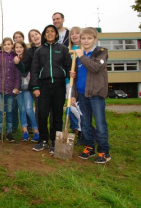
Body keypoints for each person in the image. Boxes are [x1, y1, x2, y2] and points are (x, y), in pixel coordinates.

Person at [71, 27, 111, 164]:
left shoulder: (101, 52)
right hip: (82, 95)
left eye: (89, 38)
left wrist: (81, 56)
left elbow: (95, 67)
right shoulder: (78, 58)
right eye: (83, 38)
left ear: (95, 39)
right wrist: (73, 95)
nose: (86, 41)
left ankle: (104, 151)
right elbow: (76, 78)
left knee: (100, 123)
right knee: (85, 123)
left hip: (96, 94)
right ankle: (89, 146)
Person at [30, 25, 71, 153]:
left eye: (52, 31)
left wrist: (70, 73)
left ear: (56, 34)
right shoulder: (39, 51)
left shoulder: (63, 49)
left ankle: (55, 141)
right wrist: (35, 87)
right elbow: (34, 70)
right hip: (43, 87)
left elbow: (69, 66)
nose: (50, 33)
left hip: (59, 86)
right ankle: (43, 140)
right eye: (47, 32)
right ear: (44, 35)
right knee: (42, 114)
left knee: (57, 115)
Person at [0, 37, 21, 142]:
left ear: (12, 45)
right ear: (2, 46)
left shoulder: (15, 57)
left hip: (11, 90)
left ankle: (9, 133)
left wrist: (17, 87)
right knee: (1, 111)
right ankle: (0, 132)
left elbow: (17, 75)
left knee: (9, 111)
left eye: (9, 44)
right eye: (5, 44)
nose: (7, 46)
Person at [15, 29, 43, 143]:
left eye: (20, 47)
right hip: (18, 88)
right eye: (16, 48)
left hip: (27, 87)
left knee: (29, 109)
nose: (18, 49)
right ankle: (25, 131)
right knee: (21, 110)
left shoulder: (28, 56)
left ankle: (37, 131)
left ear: (24, 48)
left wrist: (19, 63)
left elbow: (25, 71)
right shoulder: (13, 58)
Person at [67, 27, 83, 145]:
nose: (74, 35)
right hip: (68, 81)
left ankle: (84, 129)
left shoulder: (83, 49)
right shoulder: (68, 50)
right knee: (70, 106)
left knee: (75, 107)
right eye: (72, 34)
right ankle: (81, 130)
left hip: (78, 82)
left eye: (77, 33)